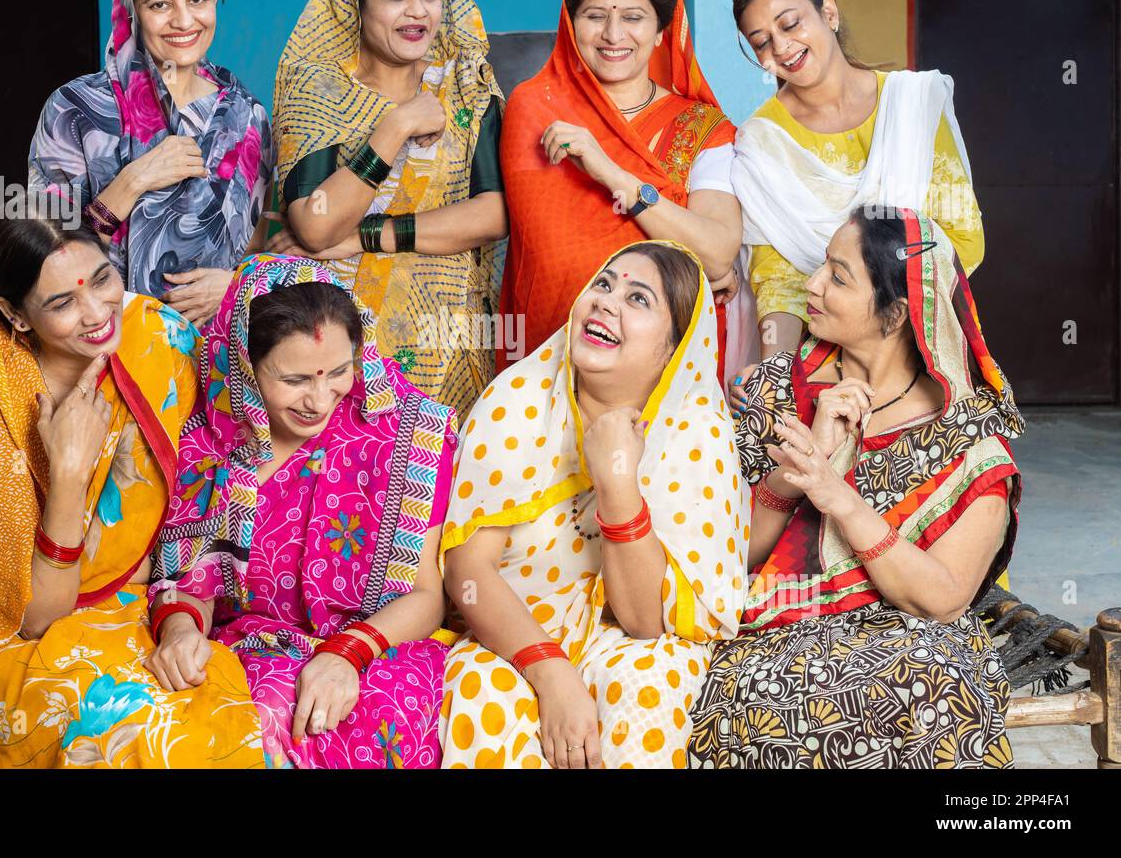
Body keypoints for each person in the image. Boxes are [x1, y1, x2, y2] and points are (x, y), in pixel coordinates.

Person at [0, 214, 263, 768]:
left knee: (216, 720)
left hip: (155, 605)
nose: (98, 313)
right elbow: (37, 618)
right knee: (130, 731)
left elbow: (239, 426)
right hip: (25, 638)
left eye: (102, 280)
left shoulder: (160, 337)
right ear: (14, 315)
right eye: (62, 304)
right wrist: (69, 475)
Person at [690, 207, 1022, 769]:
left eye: (839, 277)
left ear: (895, 314)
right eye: (822, 266)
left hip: (913, 638)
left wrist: (842, 500)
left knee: (934, 682)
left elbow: (942, 599)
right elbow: (726, 555)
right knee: (767, 694)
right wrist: (805, 465)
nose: (812, 285)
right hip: (772, 629)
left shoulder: (966, 433)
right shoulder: (775, 390)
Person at [440, 242, 748, 768]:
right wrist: (550, 670)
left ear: (673, 350)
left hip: (620, 637)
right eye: (603, 285)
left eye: (638, 299)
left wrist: (617, 481)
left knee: (654, 678)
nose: (606, 303)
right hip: (511, 635)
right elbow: (467, 570)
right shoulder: (519, 400)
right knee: (483, 689)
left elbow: (646, 621)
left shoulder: (696, 436)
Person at [146, 255, 461, 768]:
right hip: (247, 650)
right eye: (294, 380)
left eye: (339, 371)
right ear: (245, 367)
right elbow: (195, 583)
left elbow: (428, 598)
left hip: (377, 652)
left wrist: (346, 654)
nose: (320, 399)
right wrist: (181, 631)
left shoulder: (407, 435)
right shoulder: (211, 448)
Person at [269, 0, 506, 420]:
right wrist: (395, 126)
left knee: (435, 488)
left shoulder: (466, 87)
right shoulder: (319, 92)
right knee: (344, 492)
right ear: (357, 4)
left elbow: (495, 214)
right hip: (337, 351)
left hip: (448, 347)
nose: (417, 12)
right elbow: (315, 224)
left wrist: (365, 236)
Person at [499, 0, 744, 384]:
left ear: (660, 32)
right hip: (551, 361)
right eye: (595, 16)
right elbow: (547, 259)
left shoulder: (702, 128)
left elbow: (715, 252)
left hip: (661, 365)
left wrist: (611, 173)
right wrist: (682, 248)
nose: (614, 34)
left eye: (633, 17)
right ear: (572, 26)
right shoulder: (535, 109)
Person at [729, 0, 984, 376]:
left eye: (790, 24)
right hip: (818, 364)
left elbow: (963, 236)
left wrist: (882, 335)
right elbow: (778, 285)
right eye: (761, 41)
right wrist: (776, 374)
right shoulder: (761, 143)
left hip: (921, 343)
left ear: (828, 12)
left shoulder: (912, 104)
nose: (781, 48)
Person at [29, 0, 272, 325]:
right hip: (103, 344)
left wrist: (234, 284)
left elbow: (254, 247)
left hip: (218, 353)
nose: (184, 20)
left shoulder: (246, 118)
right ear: (130, 11)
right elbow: (42, 261)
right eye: (160, 4)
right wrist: (133, 181)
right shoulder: (75, 112)